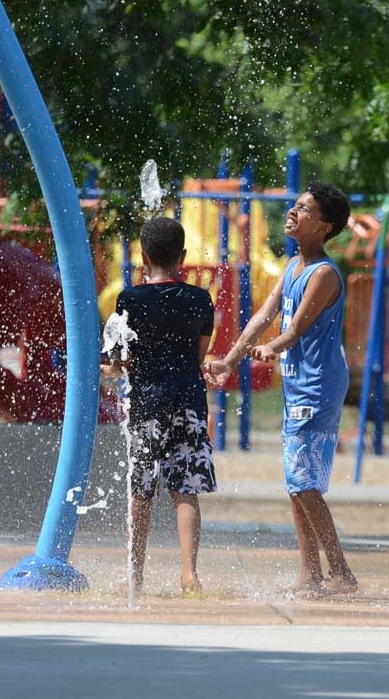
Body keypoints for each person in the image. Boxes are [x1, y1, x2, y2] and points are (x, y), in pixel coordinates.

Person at [207, 183, 357, 597]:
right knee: (298, 483)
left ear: (324, 226)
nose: (292, 213)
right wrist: (229, 359)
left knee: (303, 482)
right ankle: (310, 575)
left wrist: (271, 348)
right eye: (295, 205)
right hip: (299, 383)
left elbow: (294, 329)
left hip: (317, 385)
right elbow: (262, 316)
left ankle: (341, 573)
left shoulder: (323, 274)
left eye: (303, 209)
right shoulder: (293, 266)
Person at [102, 218, 216, 597]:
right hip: (189, 400)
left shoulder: (130, 300)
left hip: (148, 402)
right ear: (182, 257)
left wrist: (112, 366)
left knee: (141, 489)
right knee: (186, 489)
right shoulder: (201, 300)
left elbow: (121, 360)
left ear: (143, 255)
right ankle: (190, 574)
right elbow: (197, 357)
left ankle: (135, 575)